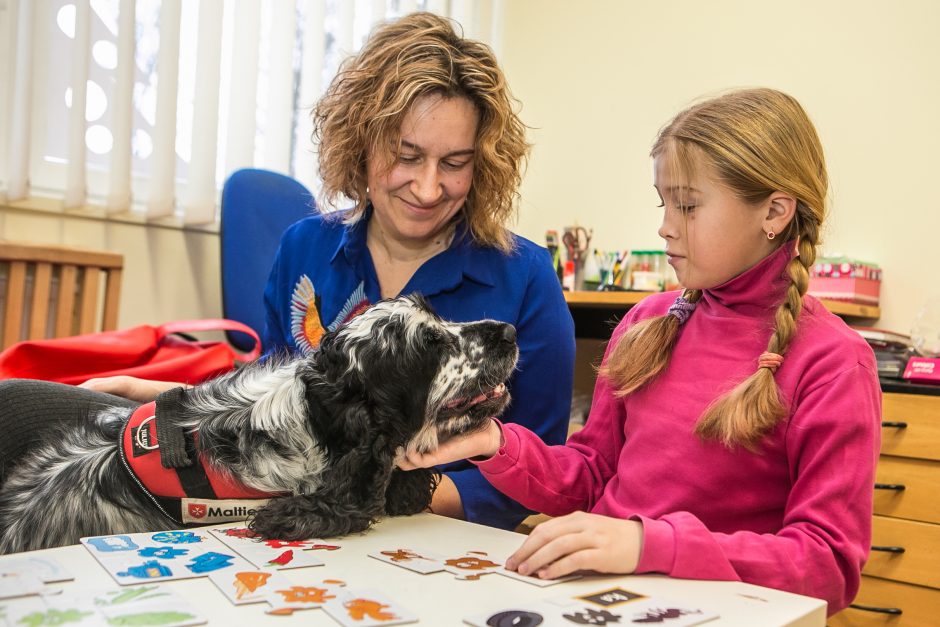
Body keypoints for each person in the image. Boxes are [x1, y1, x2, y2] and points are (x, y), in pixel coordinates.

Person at [2, 12, 575, 532]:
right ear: (360, 142)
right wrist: (161, 394)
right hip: (291, 511)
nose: (428, 188)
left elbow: (541, 473)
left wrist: (391, 495)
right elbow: (283, 408)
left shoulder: (524, 276)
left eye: (455, 164)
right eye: (406, 156)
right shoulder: (305, 247)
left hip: (410, 527)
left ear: (485, 162)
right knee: (21, 407)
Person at [399, 88, 881, 614]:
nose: (665, 225)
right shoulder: (648, 321)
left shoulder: (834, 362)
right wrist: (494, 442)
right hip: (606, 600)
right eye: (664, 202)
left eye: (688, 206)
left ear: (774, 212)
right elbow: (590, 473)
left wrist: (648, 545)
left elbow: (827, 565)